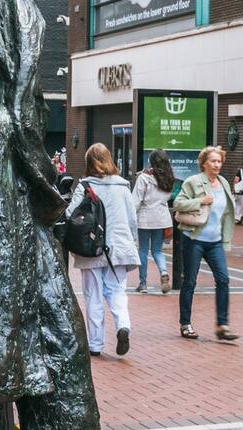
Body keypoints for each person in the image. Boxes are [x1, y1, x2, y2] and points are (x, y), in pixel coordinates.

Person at [67, 143, 139, 357]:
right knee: (117, 291)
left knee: (93, 296)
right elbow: (132, 219)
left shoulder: (85, 186)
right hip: (119, 248)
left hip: (91, 248)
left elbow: (72, 215)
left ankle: (96, 344)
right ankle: (123, 326)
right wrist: (131, 242)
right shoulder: (123, 187)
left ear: (88, 163)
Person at [172, 146, 240, 341]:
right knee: (190, 281)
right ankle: (185, 323)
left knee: (223, 279)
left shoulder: (224, 183)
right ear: (204, 163)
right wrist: (200, 200)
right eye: (213, 161)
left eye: (219, 161)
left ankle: (222, 325)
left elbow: (227, 212)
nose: (217, 164)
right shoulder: (194, 182)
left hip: (215, 241)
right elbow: (178, 204)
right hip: (194, 238)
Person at [132, 150, 175, 294]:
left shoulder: (144, 178)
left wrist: (131, 216)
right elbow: (168, 198)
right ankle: (163, 272)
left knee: (143, 250)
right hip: (162, 218)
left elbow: (136, 201)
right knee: (157, 250)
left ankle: (143, 283)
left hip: (145, 218)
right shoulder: (169, 178)